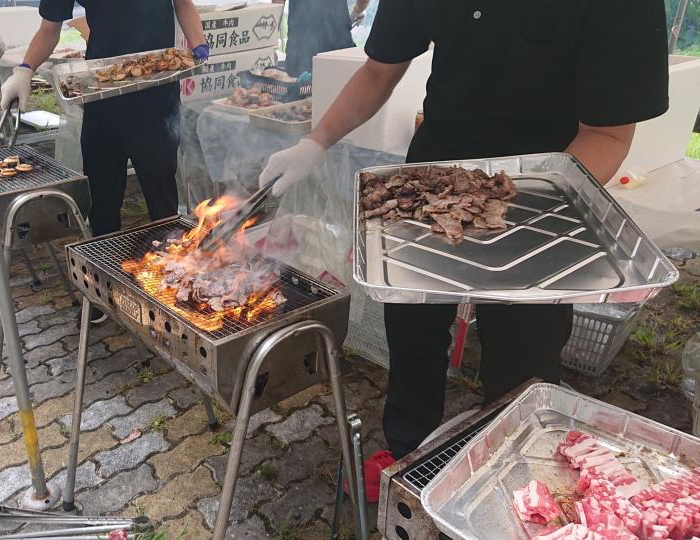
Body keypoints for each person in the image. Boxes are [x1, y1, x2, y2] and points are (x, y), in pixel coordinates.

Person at [260, 0, 668, 460]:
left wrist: (515, 210)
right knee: (412, 335)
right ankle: (408, 456)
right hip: (431, 179)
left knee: (523, 363)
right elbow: (379, 70)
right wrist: (315, 142)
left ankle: (511, 470)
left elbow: (608, 135)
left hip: (543, 200)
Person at [0, 1, 208, 324]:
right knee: (102, 201)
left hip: (156, 99)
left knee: (162, 200)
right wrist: (24, 69)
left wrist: (199, 45)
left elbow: (183, 4)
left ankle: (174, 286)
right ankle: (101, 286)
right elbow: (49, 29)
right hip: (101, 97)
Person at [274, 0, 371, 76]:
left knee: (298, 95)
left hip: (299, 51)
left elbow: (277, 5)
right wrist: (357, 12)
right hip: (338, 49)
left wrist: (271, 42)